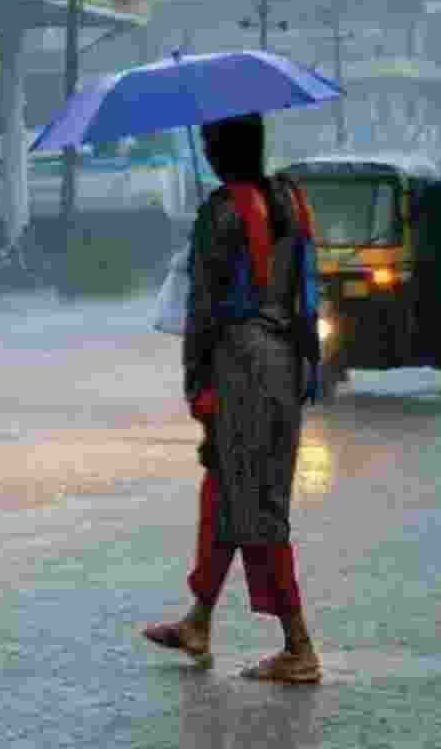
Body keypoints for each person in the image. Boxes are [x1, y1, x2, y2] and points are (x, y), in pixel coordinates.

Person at [141, 112, 323, 684]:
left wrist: (196, 384)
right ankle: (199, 620)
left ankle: (298, 646)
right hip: (287, 361)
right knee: (227, 490)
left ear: (221, 149)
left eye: (208, 141)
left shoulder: (219, 214)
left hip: (241, 365)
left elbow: (202, 311)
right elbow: (309, 288)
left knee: (256, 503)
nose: (206, 150)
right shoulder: (292, 199)